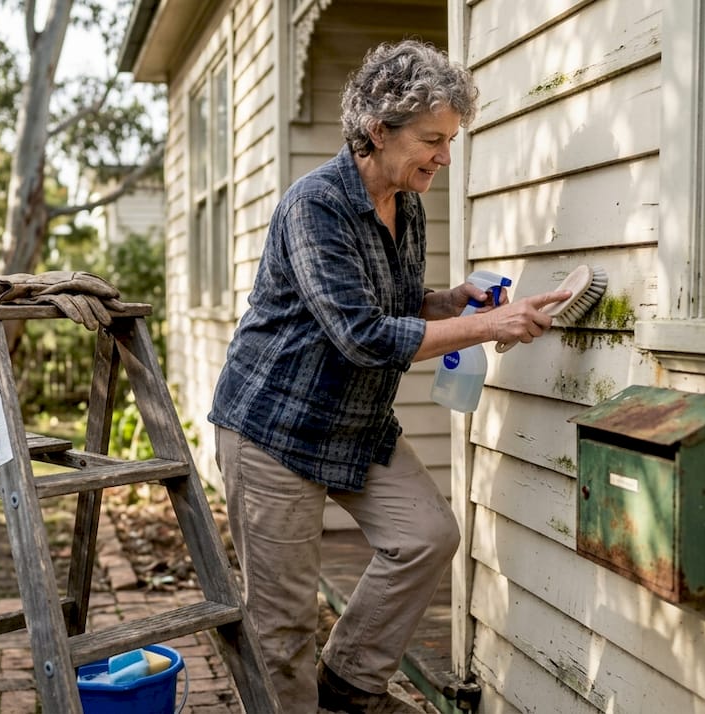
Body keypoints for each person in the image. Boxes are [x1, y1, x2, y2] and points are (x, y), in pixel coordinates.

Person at [208, 40, 571, 713]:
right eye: (433, 139)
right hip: (275, 432)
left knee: (427, 535)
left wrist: (450, 301)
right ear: (378, 130)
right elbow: (362, 334)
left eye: (450, 139)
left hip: (355, 425)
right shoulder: (314, 206)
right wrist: (491, 328)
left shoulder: (408, 205)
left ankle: (347, 684)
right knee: (282, 626)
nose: (445, 156)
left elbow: (393, 309)